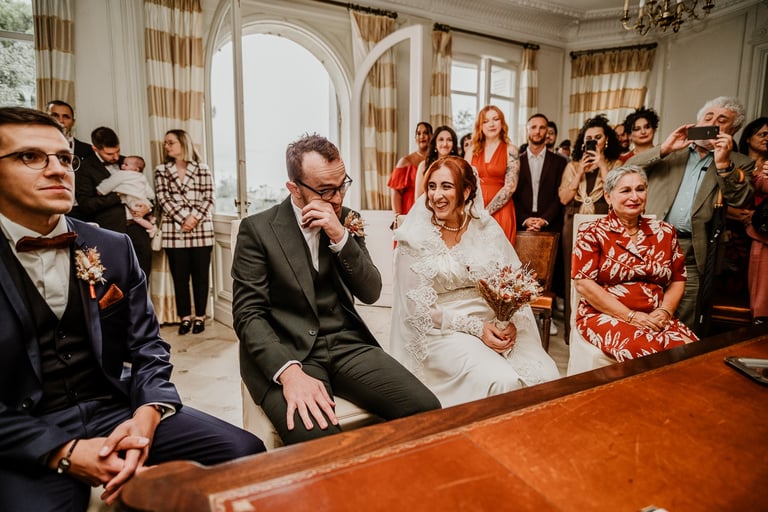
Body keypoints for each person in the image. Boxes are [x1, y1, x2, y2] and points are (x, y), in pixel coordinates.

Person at [0, 107, 265, 511]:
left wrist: (148, 410)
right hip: (24, 423)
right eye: (30, 156)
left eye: (65, 158)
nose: (57, 170)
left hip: (114, 405)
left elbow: (148, 345)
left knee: (245, 452)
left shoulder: (111, 247)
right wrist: (62, 452)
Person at [232, 134, 440, 445]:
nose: (338, 198)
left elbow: (371, 291)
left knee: (427, 410)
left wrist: (341, 237)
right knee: (323, 443)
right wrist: (289, 373)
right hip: (290, 351)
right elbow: (248, 315)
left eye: (343, 185)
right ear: (294, 188)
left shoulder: (348, 219)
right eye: (326, 190)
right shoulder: (258, 230)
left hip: (347, 345)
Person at [391, 156, 560, 407]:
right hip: (442, 330)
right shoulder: (413, 237)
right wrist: (476, 328)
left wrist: (510, 321)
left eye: (446, 186)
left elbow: (511, 281)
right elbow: (416, 308)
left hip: (494, 323)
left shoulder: (486, 228)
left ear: (466, 190)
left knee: (546, 375)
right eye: (432, 186)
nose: (436, 195)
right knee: (502, 382)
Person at [629, 96, 755, 330]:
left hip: (692, 251)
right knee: (640, 309)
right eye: (708, 117)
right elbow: (625, 171)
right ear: (698, 122)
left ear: (733, 130)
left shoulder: (739, 163)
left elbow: (740, 199)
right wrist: (664, 148)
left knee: (684, 320)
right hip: (650, 243)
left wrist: (724, 164)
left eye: (722, 120)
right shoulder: (671, 152)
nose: (712, 123)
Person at [572, 166, 699, 361]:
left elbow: (678, 279)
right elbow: (583, 283)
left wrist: (665, 311)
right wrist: (630, 316)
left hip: (655, 316)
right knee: (652, 354)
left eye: (640, 189)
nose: (634, 197)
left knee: (692, 353)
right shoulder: (592, 232)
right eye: (625, 190)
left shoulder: (665, 232)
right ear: (608, 197)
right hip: (605, 315)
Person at [558, 114, 621, 337]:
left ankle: (598, 330)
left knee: (601, 277)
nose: (593, 141)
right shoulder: (573, 166)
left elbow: (617, 194)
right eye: (589, 138)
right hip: (573, 223)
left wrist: (602, 164)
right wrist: (580, 173)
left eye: (598, 137)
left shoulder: (615, 165)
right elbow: (564, 198)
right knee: (573, 275)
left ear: (606, 140)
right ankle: (572, 331)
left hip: (603, 223)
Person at [154, 130, 215, 335]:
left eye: (171, 142)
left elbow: (209, 197)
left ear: (183, 143)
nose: (166, 146)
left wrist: (194, 218)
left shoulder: (202, 168)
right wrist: (183, 219)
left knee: (201, 278)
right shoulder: (162, 170)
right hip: (175, 231)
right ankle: (185, 317)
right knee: (180, 279)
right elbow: (163, 198)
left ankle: (200, 317)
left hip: (201, 230)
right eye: (165, 143)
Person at [514, 113, 569, 334]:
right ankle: (525, 315)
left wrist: (544, 219)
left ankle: (547, 315)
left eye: (542, 127)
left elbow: (559, 196)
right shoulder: (516, 161)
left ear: (548, 131)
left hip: (550, 223)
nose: (538, 131)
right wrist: (526, 219)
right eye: (534, 127)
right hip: (522, 223)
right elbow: (513, 195)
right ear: (527, 130)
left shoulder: (559, 162)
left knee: (550, 273)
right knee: (522, 271)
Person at [75, 126, 153, 278]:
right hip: (109, 231)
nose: (116, 157)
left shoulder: (128, 162)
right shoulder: (85, 168)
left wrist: (148, 208)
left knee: (143, 274)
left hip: (138, 228)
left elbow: (146, 190)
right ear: (95, 148)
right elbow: (86, 205)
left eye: (118, 151)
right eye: (110, 154)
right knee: (115, 277)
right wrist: (118, 196)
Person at [467, 105, 520, 244]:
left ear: (502, 123)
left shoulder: (511, 150)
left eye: (495, 119)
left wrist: (486, 213)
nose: (491, 124)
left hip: (501, 211)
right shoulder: (471, 151)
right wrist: (474, 212)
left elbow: (510, 187)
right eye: (486, 121)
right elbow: (465, 183)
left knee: (500, 254)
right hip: (475, 211)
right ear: (480, 126)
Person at [738, 117, 768, 322]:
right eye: (762, 134)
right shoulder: (736, 163)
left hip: (761, 229)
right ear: (748, 137)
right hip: (735, 231)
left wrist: (756, 216)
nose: (767, 138)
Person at [95, 155, 157, 238]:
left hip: (133, 202)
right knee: (145, 212)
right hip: (144, 201)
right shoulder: (142, 176)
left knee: (137, 218)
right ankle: (151, 218)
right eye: (123, 164)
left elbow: (109, 183)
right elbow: (151, 194)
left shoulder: (121, 174)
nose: (122, 165)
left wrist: (100, 190)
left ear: (136, 169)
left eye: (126, 165)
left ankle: (151, 228)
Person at [388, 122, 432, 223]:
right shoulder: (405, 161)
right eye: (418, 133)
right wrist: (398, 217)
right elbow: (396, 192)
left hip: (430, 211)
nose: (422, 136)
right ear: (415, 138)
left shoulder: (436, 160)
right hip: (410, 210)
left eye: (425, 133)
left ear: (432, 136)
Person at [413, 125, 459, 203]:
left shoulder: (459, 166)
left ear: (453, 144)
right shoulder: (424, 166)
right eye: (441, 139)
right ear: (435, 144)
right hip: (428, 207)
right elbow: (418, 198)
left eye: (449, 140)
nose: (445, 144)